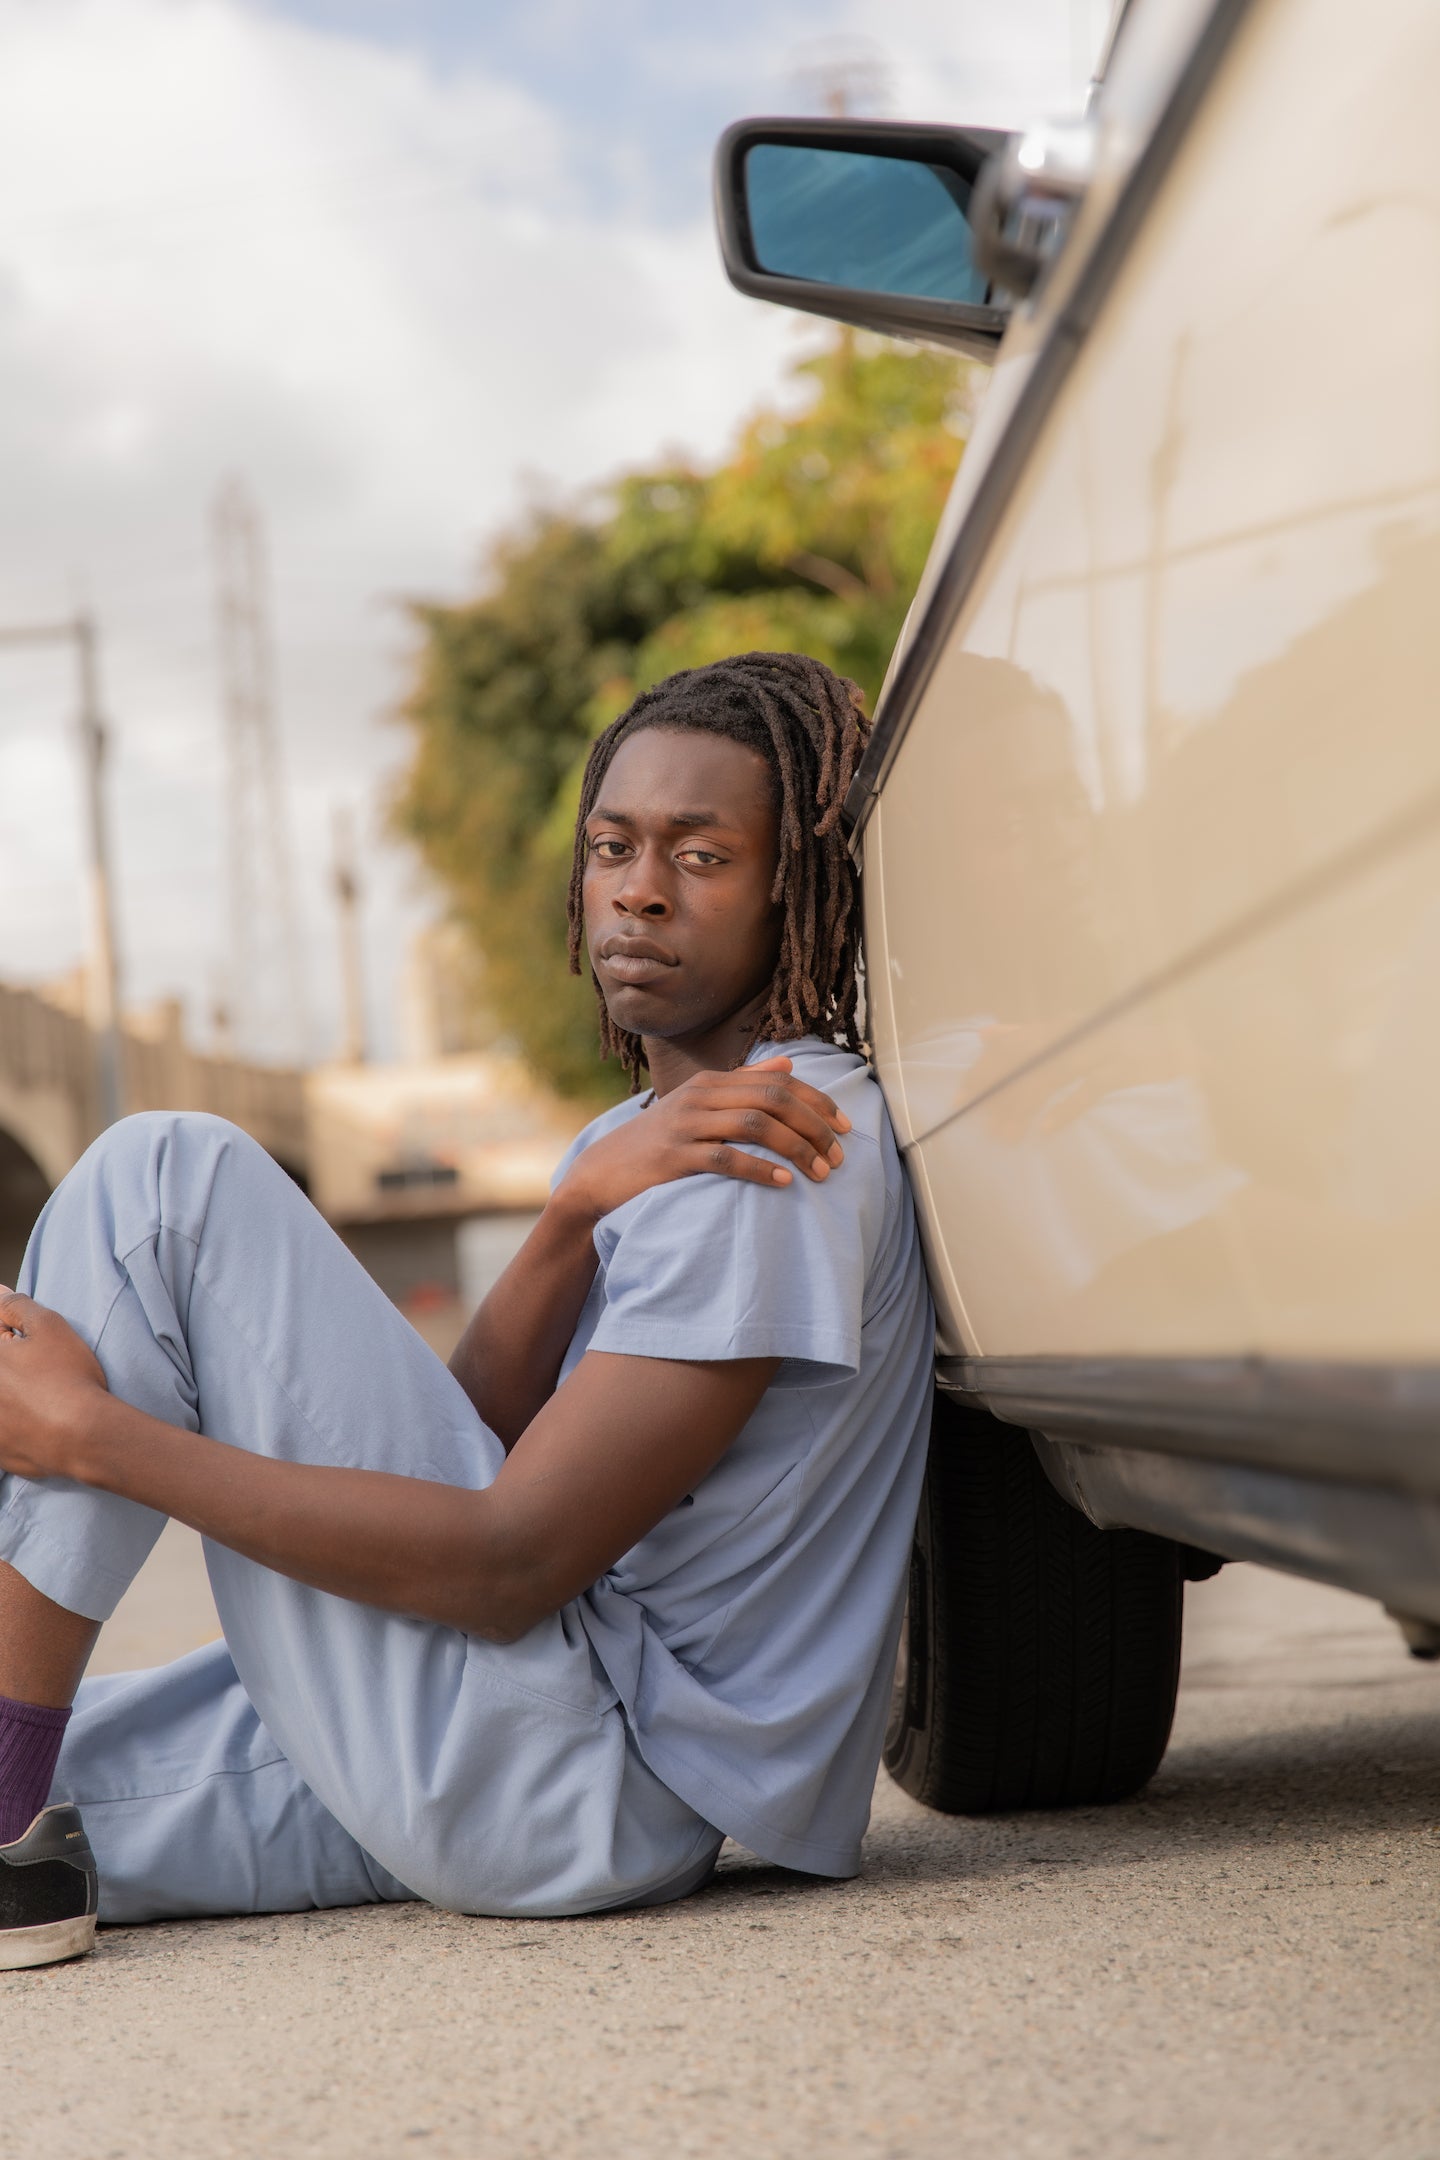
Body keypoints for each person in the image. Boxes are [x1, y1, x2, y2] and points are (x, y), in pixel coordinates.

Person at [0, 650, 934, 1971]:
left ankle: (0, 1799)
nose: (640, 890)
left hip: (570, 1764)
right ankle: (13, 1811)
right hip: (523, 1741)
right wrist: (565, 1225)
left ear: (797, 883)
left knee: (162, 1182)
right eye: (613, 846)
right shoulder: (648, 1142)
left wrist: (88, 1438)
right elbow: (471, 1441)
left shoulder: (767, 1151)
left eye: (702, 856)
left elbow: (508, 1562)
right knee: (65, 1788)